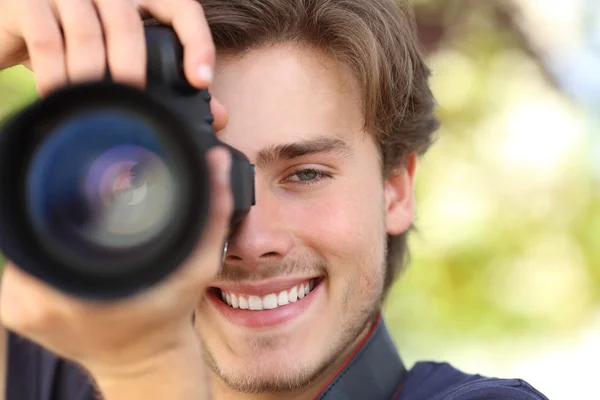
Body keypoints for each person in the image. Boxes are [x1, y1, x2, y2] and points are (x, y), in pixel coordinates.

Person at [0, 0, 550, 399]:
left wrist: (146, 369)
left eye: (306, 174)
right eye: (201, 180)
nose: (254, 240)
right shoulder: (51, 362)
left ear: (396, 189)